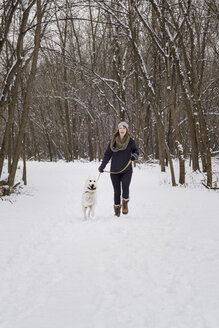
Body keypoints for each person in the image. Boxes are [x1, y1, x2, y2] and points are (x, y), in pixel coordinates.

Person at [98, 121, 139, 217]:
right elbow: (107, 154)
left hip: (127, 170)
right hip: (115, 170)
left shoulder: (130, 141)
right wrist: (102, 166)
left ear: (126, 130)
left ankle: (124, 203)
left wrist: (134, 156)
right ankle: (117, 211)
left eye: (124, 128)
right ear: (118, 129)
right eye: (120, 128)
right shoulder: (113, 141)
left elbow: (136, 151)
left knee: (125, 187)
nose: (122, 130)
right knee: (116, 191)